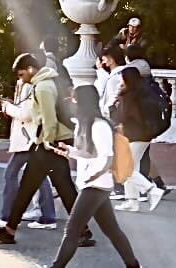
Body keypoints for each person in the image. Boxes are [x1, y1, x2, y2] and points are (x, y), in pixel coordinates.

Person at [0, 53, 95, 247]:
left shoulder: (42, 87)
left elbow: (49, 119)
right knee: (63, 187)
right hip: (54, 141)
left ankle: (9, 230)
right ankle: (82, 231)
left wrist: (46, 143)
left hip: (48, 143)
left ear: (31, 69)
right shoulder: (48, 82)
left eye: (21, 74)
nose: (21, 78)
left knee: (29, 187)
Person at [44, 84, 140, 268]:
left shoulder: (99, 126)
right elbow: (89, 154)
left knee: (72, 230)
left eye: (75, 99)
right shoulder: (87, 124)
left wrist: (92, 176)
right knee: (112, 230)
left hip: (95, 186)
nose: (72, 103)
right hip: (95, 185)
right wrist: (69, 151)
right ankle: (134, 265)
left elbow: (107, 157)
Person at [0, 68, 57, 231]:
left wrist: (7, 107)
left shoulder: (29, 86)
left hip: (28, 139)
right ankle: (47, 216)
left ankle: (8, 216)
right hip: (31, 138)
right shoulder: (34, 84)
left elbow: (26, 114)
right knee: (39, 177)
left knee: (11, 174)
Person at [112, 66, 167, 212]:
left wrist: (117, 101)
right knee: (132, 166)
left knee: (126, 168)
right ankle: (132, 200)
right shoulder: (144, 92)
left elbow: (121, 117)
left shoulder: (128, 96)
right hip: (146, 134)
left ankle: (151, 190)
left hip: (134, 135)